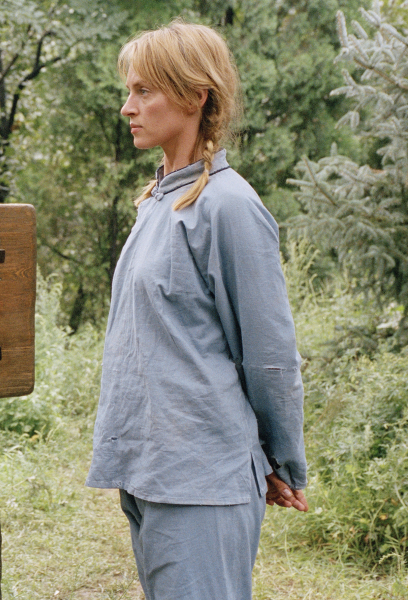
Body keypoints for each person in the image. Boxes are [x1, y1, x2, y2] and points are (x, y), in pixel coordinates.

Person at [86, 20, 308, 600]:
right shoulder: (158, 202)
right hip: (150, 473)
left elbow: (269, 354)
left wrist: (281, 459)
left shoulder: (229, 206)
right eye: (129, 91)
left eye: (144, 91)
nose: (128, 107)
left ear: (194, 96)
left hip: (202, 480)